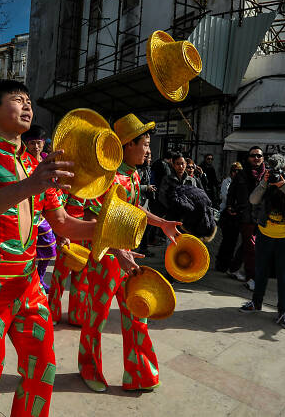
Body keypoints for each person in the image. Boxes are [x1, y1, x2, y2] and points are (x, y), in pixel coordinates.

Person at [0, 79, 97, 417]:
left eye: (29, 100)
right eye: (17, 99)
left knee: (43, 369)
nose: (27, 106)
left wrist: (108, 229)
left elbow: (62, 223)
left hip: (29, 285)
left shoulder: (34, 163)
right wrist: (30, 184)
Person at [79, 113, 181, 393]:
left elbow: (135, 210)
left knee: (138, 312)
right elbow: (90, 219)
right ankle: (88, 367)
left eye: (148, 144)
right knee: (96, 317)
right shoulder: (105, 177)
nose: (149, 150)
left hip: (128, 258)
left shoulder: (133, 175)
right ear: (127, 145)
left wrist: (161, 223)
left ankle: (139, 373)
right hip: (104, 258)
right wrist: (115, 251)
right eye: (145, 144)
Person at [239, 154, 285, 329]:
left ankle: (283, 311)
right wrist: (264, 183)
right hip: (265, 234)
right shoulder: (267, 183)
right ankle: (256, 302)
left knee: (284, 275)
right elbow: (253, 200)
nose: (278, 174)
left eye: (282, 171)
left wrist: (284, 185)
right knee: (260, 271)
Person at [47, 192, 89, 327]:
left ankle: (77, 315)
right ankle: (53, 312)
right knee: (60, 276)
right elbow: (56, 210)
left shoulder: (98, 189)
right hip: (67, 234)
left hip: (86, 236)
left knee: (82, 278)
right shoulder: (70, 183)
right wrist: (62, 234)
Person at [23, 124, 57, 291]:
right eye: (32, 143)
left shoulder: (48, 161)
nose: (35, 147)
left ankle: (40, 278)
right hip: (25, 214)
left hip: (44, 214)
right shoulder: (21, 161)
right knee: (28, 253)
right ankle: (30, 282)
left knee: (50, 248)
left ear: (44, 143)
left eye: (39, 142)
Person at [232, 146, 266, 291]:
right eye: (253, 156)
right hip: (245, 215)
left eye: (259, 156)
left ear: (263, 158)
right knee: (251, 247)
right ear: (248, 158)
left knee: (247, 245)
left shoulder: (268, 175)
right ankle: (251, 278)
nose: (256, 158)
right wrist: (230, 206)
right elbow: (231, 192)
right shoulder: (241, 174)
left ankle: (233, 267)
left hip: (263, 216)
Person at [215, 162, 243, 273]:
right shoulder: (227, 182)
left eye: (238, 171)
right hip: (227, 213)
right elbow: (225, 196)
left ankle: (227, 263)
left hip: (237, 214)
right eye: (234, 170)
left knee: (233, 241)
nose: (236, 173)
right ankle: (221, 263)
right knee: (226, 240)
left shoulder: (241, 183)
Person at [137, 151, 157, 256]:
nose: (150, 160)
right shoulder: (138, 170)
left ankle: (143, 247)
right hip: (139, 203)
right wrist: (146, 187)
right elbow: (133, 186)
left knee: (147, 226)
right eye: (148, 157)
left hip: (146, 202)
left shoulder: (147, 170)